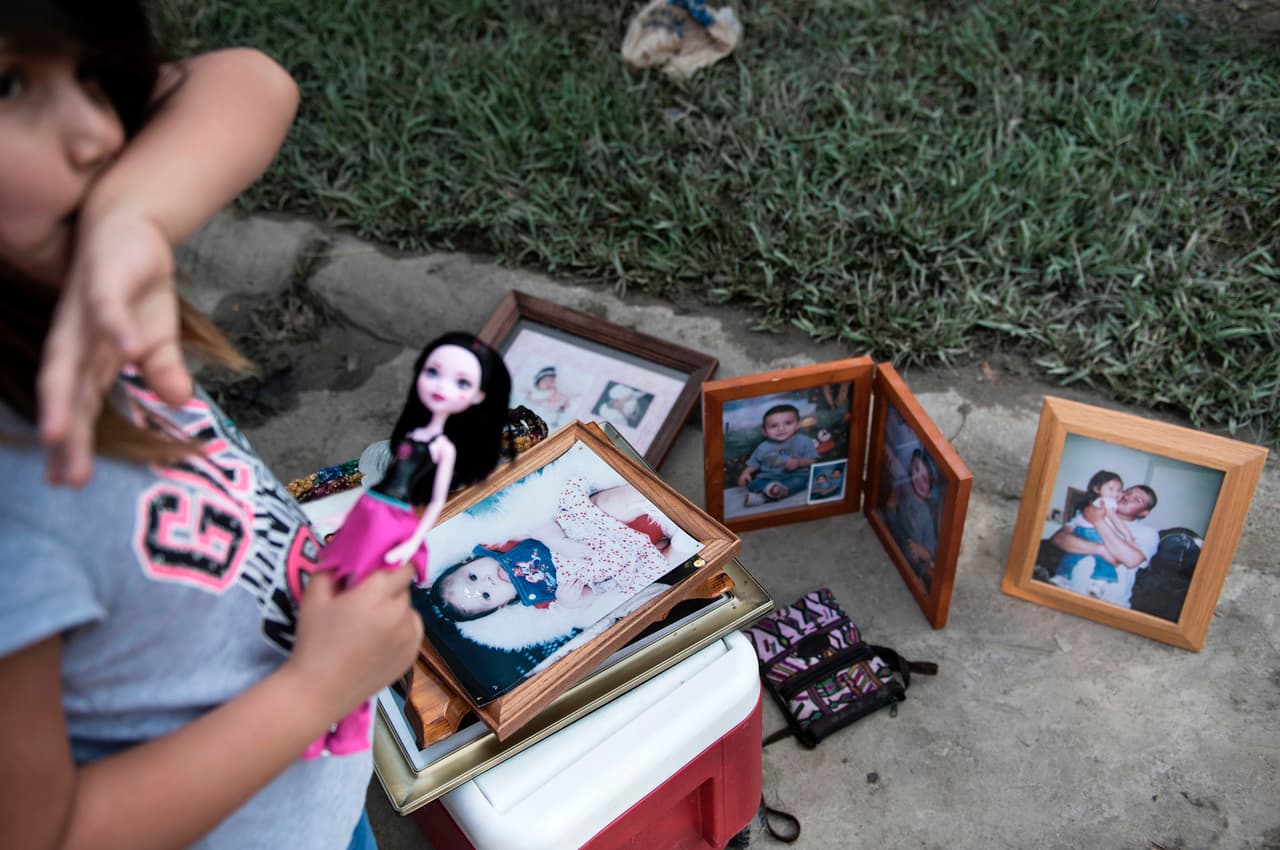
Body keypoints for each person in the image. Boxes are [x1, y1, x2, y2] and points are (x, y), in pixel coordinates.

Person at [0, 7, 420, 849]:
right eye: (10, 85)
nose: (98, 134)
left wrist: (131, 218)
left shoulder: (64, 279)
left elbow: (252, 80)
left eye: (87, 76)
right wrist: (315, 689)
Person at [310, 332, 510, 756]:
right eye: (433, 372)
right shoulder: (414, 430)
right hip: (371, 511)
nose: (441, 386)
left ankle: (343, 717)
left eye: (460, 382)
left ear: (477, 397)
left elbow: (434, 501)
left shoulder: (444, 448)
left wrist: (411, 540)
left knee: (352, 614)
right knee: (328, 594)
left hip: (395, 525)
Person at [431, 476, 681, 620]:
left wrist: (558, 542)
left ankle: (649, 498)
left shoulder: (503, 546)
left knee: (608, 502)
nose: (488, 582)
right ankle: (681, 541)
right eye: (486, 595)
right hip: (621, 559)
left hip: (592, 525)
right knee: (655, 570)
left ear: (469, 561)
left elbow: (533, 523)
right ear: (502, 605)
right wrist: (570, 599)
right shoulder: (540, 600)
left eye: (473, 577)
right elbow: (591, 597)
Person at [1050, 484, 1160, 608]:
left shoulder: (1147, 533)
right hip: (1068, 594)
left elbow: (1131, 560)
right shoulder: (1092, 511)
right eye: (1128, 492)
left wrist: (1098, 521)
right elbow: (1059, 539)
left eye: (1137, 499)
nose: (1128, 497)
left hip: (1110, 604)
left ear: (1143, 512)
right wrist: (1101, 550)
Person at [1049, 469, 1127, 590]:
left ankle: (1062, 577)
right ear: (1097, 489)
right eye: (1111, 489)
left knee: (1072, 555)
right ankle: (1100, 582)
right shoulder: (1108, 502)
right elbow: (1115, 519)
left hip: (1081, 530)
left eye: (1119, 490)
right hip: (1094, 532)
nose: (1116, 493)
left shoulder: (1095, 503)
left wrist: (1071, 525)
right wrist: (1128, 535)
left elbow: (1079, 519)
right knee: (1105, 556)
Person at [737, 403, 817, 507]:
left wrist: (799, 462)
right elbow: (754, 463)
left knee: (801, 482)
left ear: (798, 425)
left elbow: (812, 459)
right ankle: (772, 491)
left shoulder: (804, 441)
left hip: (795, 476)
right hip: (768, 478)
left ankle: (765, 496)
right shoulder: (763, 447)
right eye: (774, 426)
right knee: (753, 484)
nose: (781, 428)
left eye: (788, 423)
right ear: (764, 431)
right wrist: (745, 474)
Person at [882, 447, 941, 585]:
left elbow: (929, 553)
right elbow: (893, 504)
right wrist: (891, 506)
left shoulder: (926, 516)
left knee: (911, 555)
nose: (918, 479)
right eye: (916, 470)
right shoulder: (905, 488)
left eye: (925, 479)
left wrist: (917, 549)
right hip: (895, 531)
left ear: (931, 490)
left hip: (910, 551)